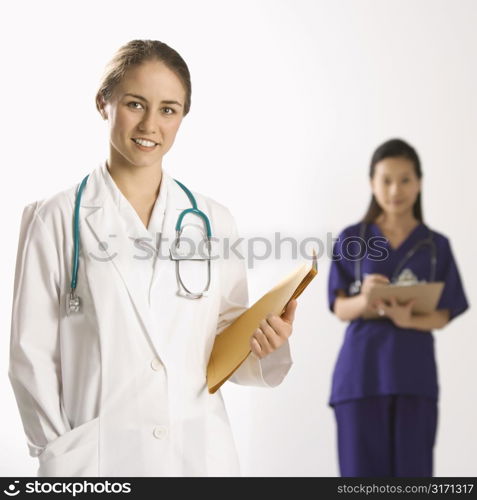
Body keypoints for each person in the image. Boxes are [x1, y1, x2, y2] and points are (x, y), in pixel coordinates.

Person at [8, 39, 297, 477]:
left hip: (197, 457)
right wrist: (62, 453)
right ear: (103, 103)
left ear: (183, 117)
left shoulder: (213, 220)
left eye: (168, 109)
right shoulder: (56, 218)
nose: (150, 124)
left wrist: (264, 344)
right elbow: (30, 356)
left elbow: (224, 338)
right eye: (135, 104)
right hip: (97, 463)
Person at [327, 138, 469, 477]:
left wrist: (408, 318)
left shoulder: (436, 246)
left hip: (413, 378)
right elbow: (338, 307)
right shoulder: (353, 238)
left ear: (419, 182)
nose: (395, 190)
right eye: (386, 180)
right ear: (371, 183)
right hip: (361, 378)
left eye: (405, 179)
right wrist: (366, 300)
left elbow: (445, 313)